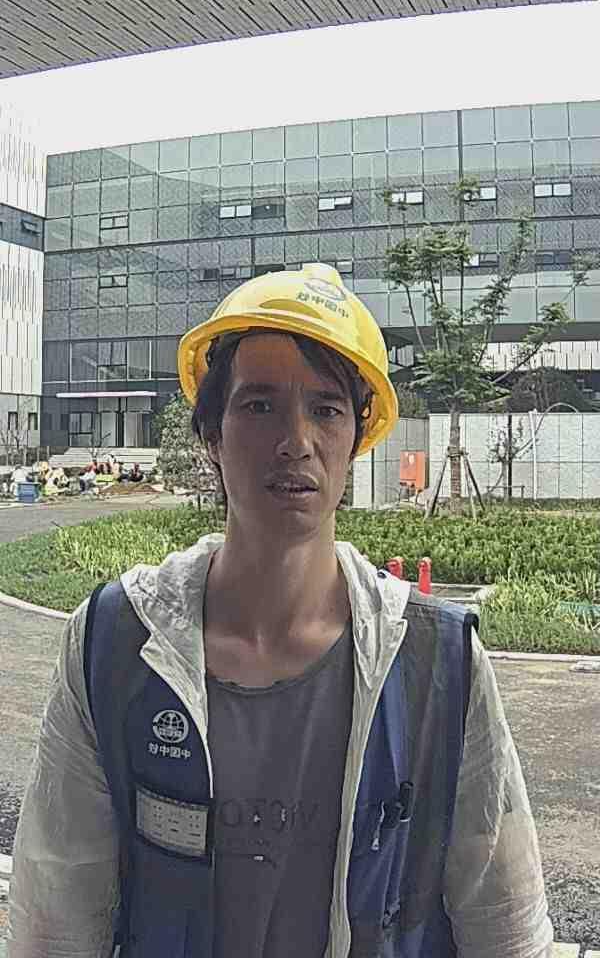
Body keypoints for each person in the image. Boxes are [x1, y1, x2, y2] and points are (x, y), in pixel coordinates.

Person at [8, 264, 552, 958]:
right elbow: (53, 924)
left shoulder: (438, 663)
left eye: (326, 409)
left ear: (356, 438)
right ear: (211, 434)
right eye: (260, 405)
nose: (296, 440)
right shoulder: (115, 643)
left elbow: (505, 924)